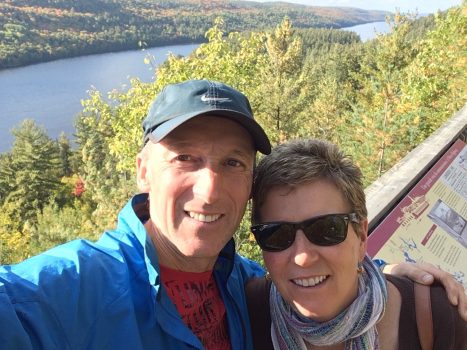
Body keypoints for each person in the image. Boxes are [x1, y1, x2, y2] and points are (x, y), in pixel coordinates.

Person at [0, 80, 464, 350]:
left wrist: (384, 272)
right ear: (143, 171)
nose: (210, 187)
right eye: (185, 158)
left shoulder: (246, 289)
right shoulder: (67, 291)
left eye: (232, 163)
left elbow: (317, 267)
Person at [246, 138, 467, 349]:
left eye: (327, 229)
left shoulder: (439, 318)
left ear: (361, 237)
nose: (302, 257)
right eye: (276, 234)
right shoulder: (248, 311)